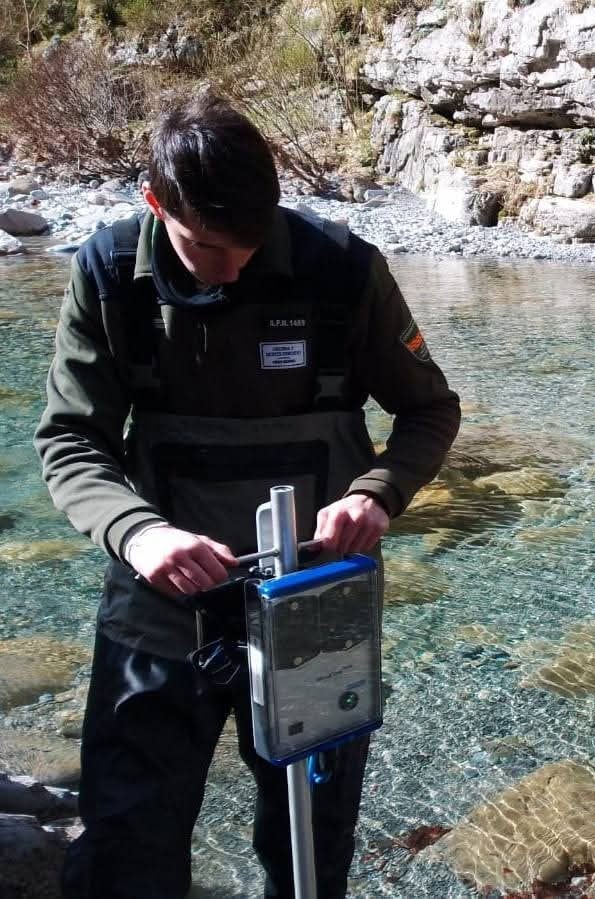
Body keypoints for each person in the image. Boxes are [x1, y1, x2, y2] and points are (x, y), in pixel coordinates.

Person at [35, 91, 461, 899]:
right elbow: (70, 440)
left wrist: (377, 494)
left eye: (250, 242)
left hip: (314, 603)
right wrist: (138, 534)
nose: (232, 267)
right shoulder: (106, 276)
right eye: (205, 247)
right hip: (158, 610)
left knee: (310, 840)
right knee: (128, 837)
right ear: (154, 203)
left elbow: (428, 409)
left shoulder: (343, 271)